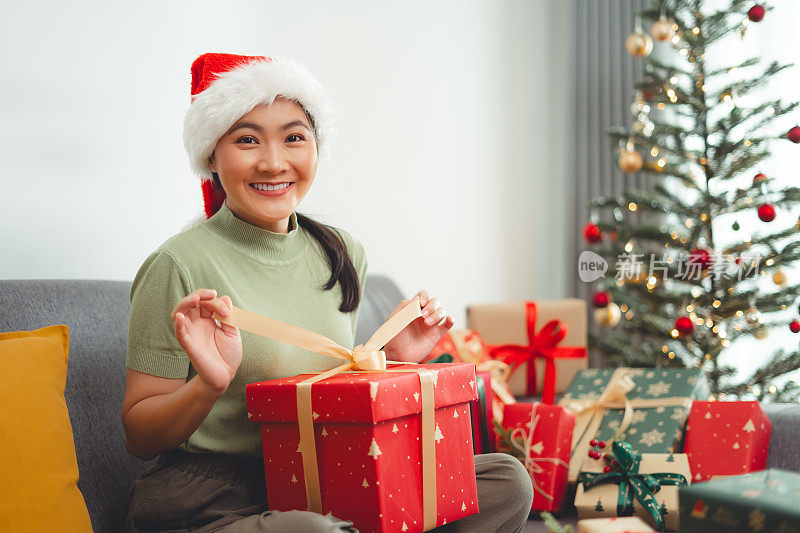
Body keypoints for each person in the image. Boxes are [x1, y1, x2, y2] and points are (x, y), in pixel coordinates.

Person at [122, 52, 533, 533]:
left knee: (507, 481)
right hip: (217, 497)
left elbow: (330, 398)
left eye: (294, 137)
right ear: (212, 155)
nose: (274, 162)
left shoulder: (339, 252)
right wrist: (208, 386)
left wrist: (394, 360)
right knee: (314, 531)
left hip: (326, 474)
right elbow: (138, 436)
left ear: (316, 147)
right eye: (247, 140)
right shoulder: (178, 264)